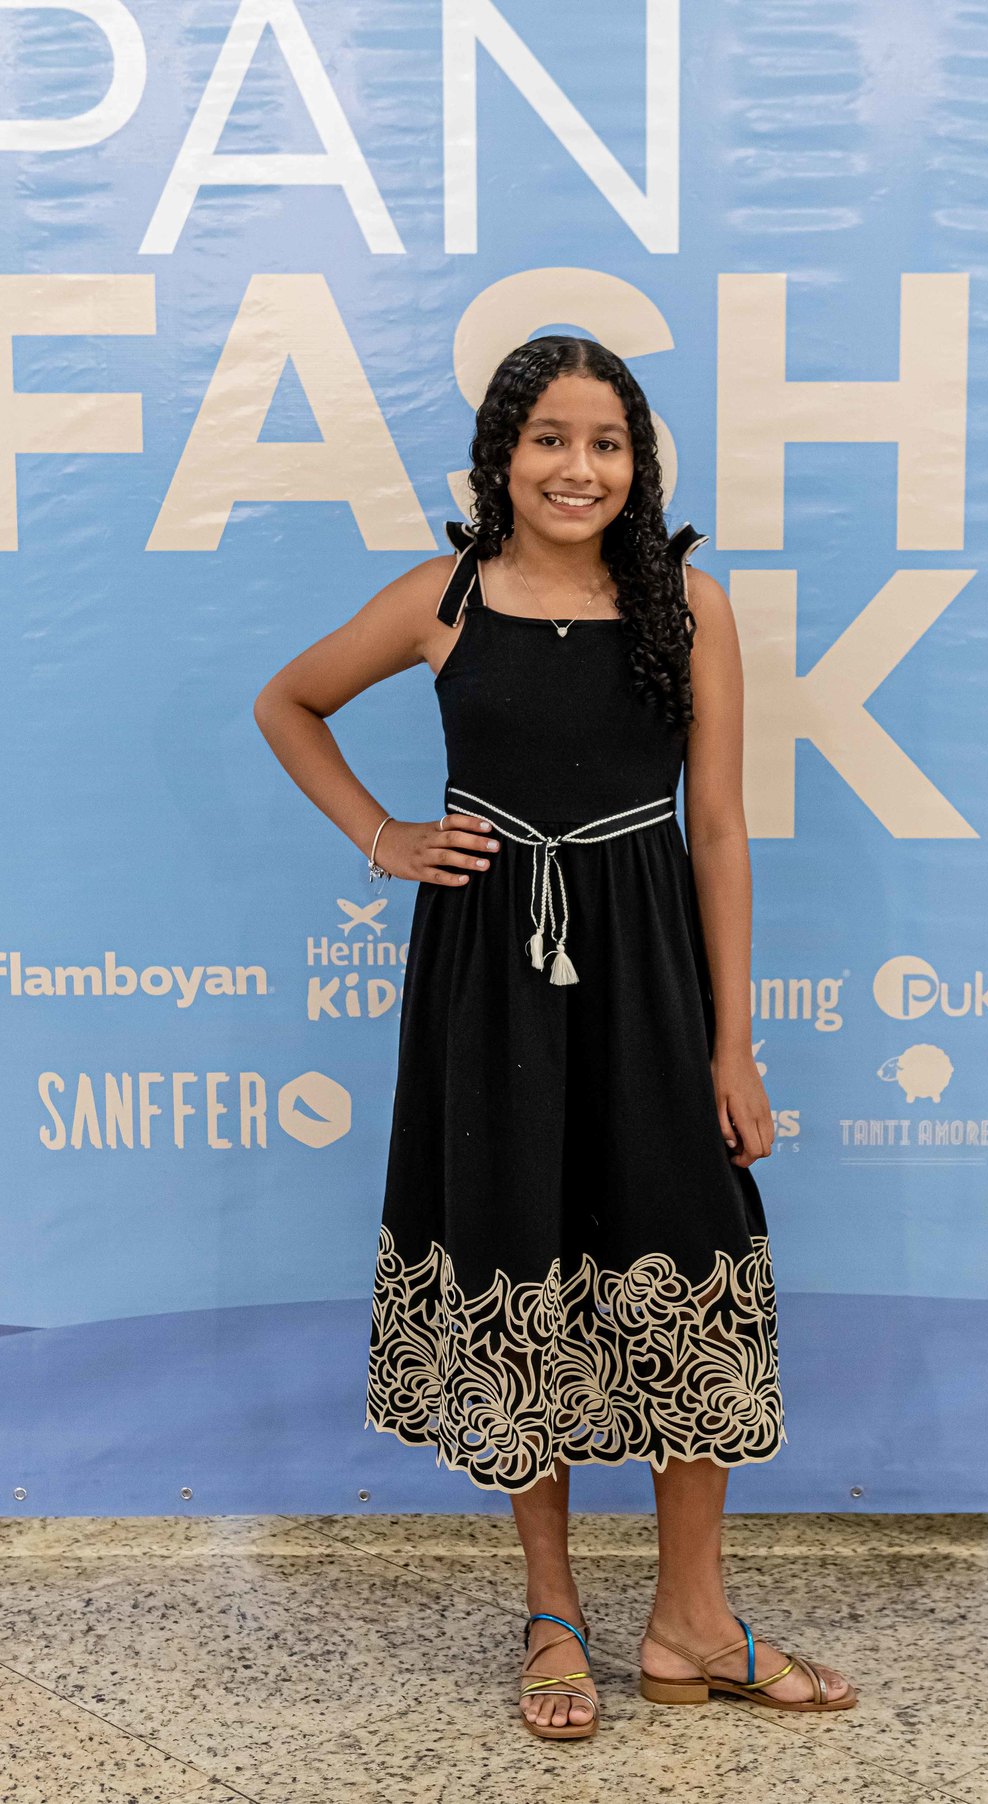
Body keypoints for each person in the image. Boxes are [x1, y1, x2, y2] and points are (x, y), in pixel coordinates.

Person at [253, 335, 856, 1740]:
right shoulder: (444, 598)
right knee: (518, 1251)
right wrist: (384, 837)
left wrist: (734, 1046)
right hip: (489, 981)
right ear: (501, 458)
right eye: (550, 440)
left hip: (648, 974)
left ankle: (691, 1622)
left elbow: (719, 829)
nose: (578, 468)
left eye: (607, 443)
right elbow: (289, 702)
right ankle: (553, 1613)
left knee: (691, 1257)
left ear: (638, 465)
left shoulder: (688, 606)